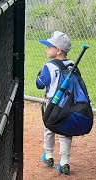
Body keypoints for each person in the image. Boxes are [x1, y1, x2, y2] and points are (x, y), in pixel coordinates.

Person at [36, 31, 73, 175]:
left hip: (52, 103)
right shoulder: (72, 65)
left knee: (49, 128)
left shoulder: (49, 66)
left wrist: (40, 74)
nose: (47, 49)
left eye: (49, 47)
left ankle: (49, 156)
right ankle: (64, 162)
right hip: (68, 104)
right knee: (65, 132)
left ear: (57, 50)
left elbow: (40, 84)